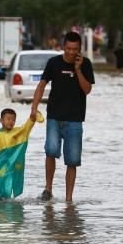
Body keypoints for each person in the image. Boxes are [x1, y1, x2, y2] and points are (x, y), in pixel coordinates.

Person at [30, 31, 95, 202]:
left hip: (75, 119)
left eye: (75, 49)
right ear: (63, 47)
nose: (71, 52)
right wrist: (34, 107)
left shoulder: (86, 64)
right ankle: (48, 189)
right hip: (54, 117)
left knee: (72, 160)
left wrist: (78, 70)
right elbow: (42, 85)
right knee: (51, 151)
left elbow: (87, 90)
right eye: (68, 48)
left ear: (80, 48)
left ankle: (68, 200)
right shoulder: (53, 63)